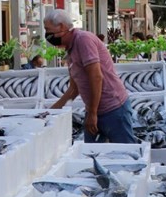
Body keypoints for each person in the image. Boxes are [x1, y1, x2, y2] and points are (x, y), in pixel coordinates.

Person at [47, 10, 138, 144]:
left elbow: (96, 77)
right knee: (90, 154)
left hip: (113, 109)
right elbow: (74, 89)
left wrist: (92, 113)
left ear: (61, 27)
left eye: (48, 29)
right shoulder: (70, 49)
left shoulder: (83, 40)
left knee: (126, 154)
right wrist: (52, 111)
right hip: (95, 111)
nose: (47, 35)